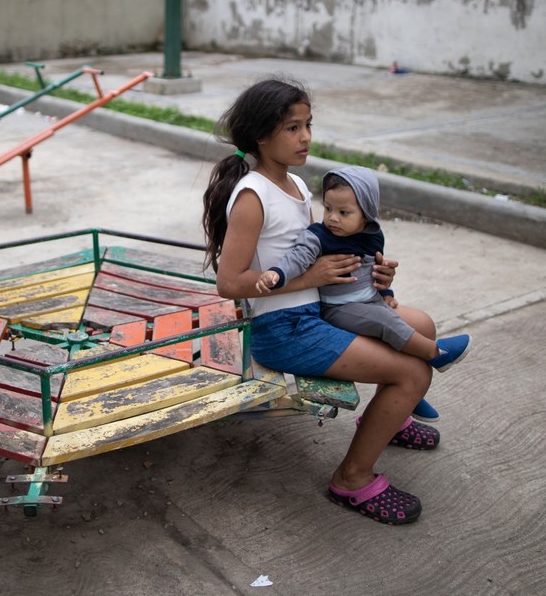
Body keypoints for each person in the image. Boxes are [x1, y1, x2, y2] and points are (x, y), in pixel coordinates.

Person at [202, 77, 438, 525]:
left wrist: (373, 279)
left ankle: (390, 420)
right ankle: (352, 478)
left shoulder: (294, 183)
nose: (306, 137)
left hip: (320, 309)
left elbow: (321, 252)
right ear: (260, 136)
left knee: (420, 324)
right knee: (414, 371)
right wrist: (308, 278)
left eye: (308, 124)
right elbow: (229, 283)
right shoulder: (253, 196)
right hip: (285, 329)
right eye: (292, 128)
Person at [255, 165, 472, 422]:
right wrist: (277, 273)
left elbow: (375, 266)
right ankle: (436, 354)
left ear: (366, 215)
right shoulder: (319, 236)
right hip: (339, 309)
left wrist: (387, 291)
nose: (332, 218)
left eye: (344, 212)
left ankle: (410, 399)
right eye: (328, 208)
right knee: (386, 323)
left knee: (411, 321)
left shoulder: (373, 236)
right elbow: (298, 258)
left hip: (369, 300)